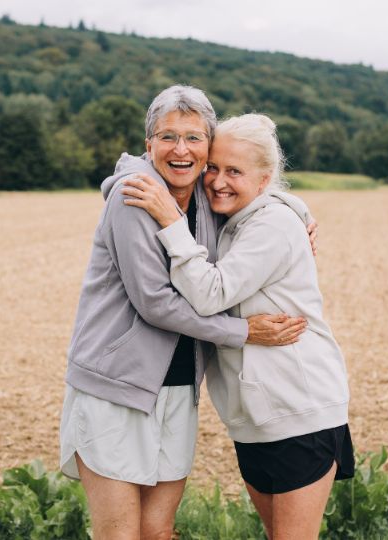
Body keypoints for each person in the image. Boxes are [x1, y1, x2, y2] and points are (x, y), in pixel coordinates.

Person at [59, 86, 318, 540]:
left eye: (194, 138)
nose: (181, 150)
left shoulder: (202, 192)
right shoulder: (134, 196)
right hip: (116, 387)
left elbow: (252, 186)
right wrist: (241, 332)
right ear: (149, 145)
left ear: (208, 146)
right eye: (168, 137)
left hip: (178, 387)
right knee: (120, 534)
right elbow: (155, 303)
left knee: (159, 531)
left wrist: (298, 212)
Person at [122, 113, 353, 540]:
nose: (217, 180)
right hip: (253, 418)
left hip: (299, 411)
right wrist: (300, 207)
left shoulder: (273, 225)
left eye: (234, 171)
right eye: (213, 167)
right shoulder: (231, 221)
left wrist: (172, 224)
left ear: (264, 181)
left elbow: (211, 294)